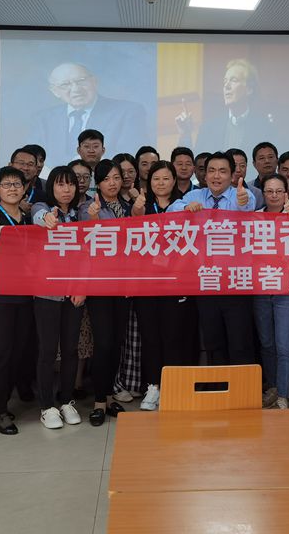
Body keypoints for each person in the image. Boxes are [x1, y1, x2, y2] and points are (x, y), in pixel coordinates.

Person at [169, 152, 256, 365]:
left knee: (240, 342)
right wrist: (186, 209)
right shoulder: (196, 196)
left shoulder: (241, 194)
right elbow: (172, 209)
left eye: (223, 171)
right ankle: (218, 384)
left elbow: (247, 205)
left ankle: (242, 385)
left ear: (232, 175)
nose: (216, 176)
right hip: (206, 281)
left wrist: (243, 201)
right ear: (204, 175)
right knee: (213, 342)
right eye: (212, 171)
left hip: (236, 282)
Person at [130, 161, 193, 411]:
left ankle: (174, 386)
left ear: (174, 181)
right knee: (150, 337)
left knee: (173, 336)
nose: (161, 183)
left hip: (176, 283)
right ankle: (153, 386)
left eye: (166, 178)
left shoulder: (184, 205)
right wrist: (136, 211)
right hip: (146, 283)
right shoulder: (141, 206)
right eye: (156, 178)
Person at [0, 166, 35, 435]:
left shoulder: (28, 218)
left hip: (25, 295)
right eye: (6, 184)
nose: (12, 188)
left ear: (24, 189)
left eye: (17, 184)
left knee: (18, 352)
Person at [79, 159, 133, 426]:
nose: (112, 183)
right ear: (97, 183)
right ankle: (99, 401)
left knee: (117, 342)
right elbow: (84, 241)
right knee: (103, 343)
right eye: (106, 179)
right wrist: (92, 218)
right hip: (99, 284)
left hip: (124, 283)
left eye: (116, 177)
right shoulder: (88, 208)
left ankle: (110, 396)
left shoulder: (127, 207)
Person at [33, 166, 86, 429]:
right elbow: (39, 217)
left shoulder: (81, 213)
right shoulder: (41, 207)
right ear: (51, 187)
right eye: (60, 184)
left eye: (71, 184)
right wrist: (48, 219)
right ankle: (46, 406)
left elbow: (89, 253)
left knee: (70, 349)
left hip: (75, 292)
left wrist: (82, 286)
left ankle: (66, 400)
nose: (66, 190)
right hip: (47, 293)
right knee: (47, 350)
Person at [254, 173, 289, 409]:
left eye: (278, 191)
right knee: (266, 343)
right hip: (260, 287)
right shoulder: (253, 218)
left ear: (286, 193)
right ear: (263, 193)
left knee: (284, 344)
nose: (274, 196)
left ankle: (282, 393)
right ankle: (272, 388)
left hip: (287, 288)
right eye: (269, 191)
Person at [38, 62, 149, 161]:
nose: (76, 89)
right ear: (55, 91)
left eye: (81, 81)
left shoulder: (128, 111)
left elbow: (128, 155)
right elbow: (38, 157)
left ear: (94, 82)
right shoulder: (43, 119)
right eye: (65, 84)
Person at [177, 58, 275, 154]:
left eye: (234, 80)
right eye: (225, 81)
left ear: (249, 89)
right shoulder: (208, 128)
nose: (226, 86)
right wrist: (185, 134)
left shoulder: (264, 128)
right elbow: (195, 162)